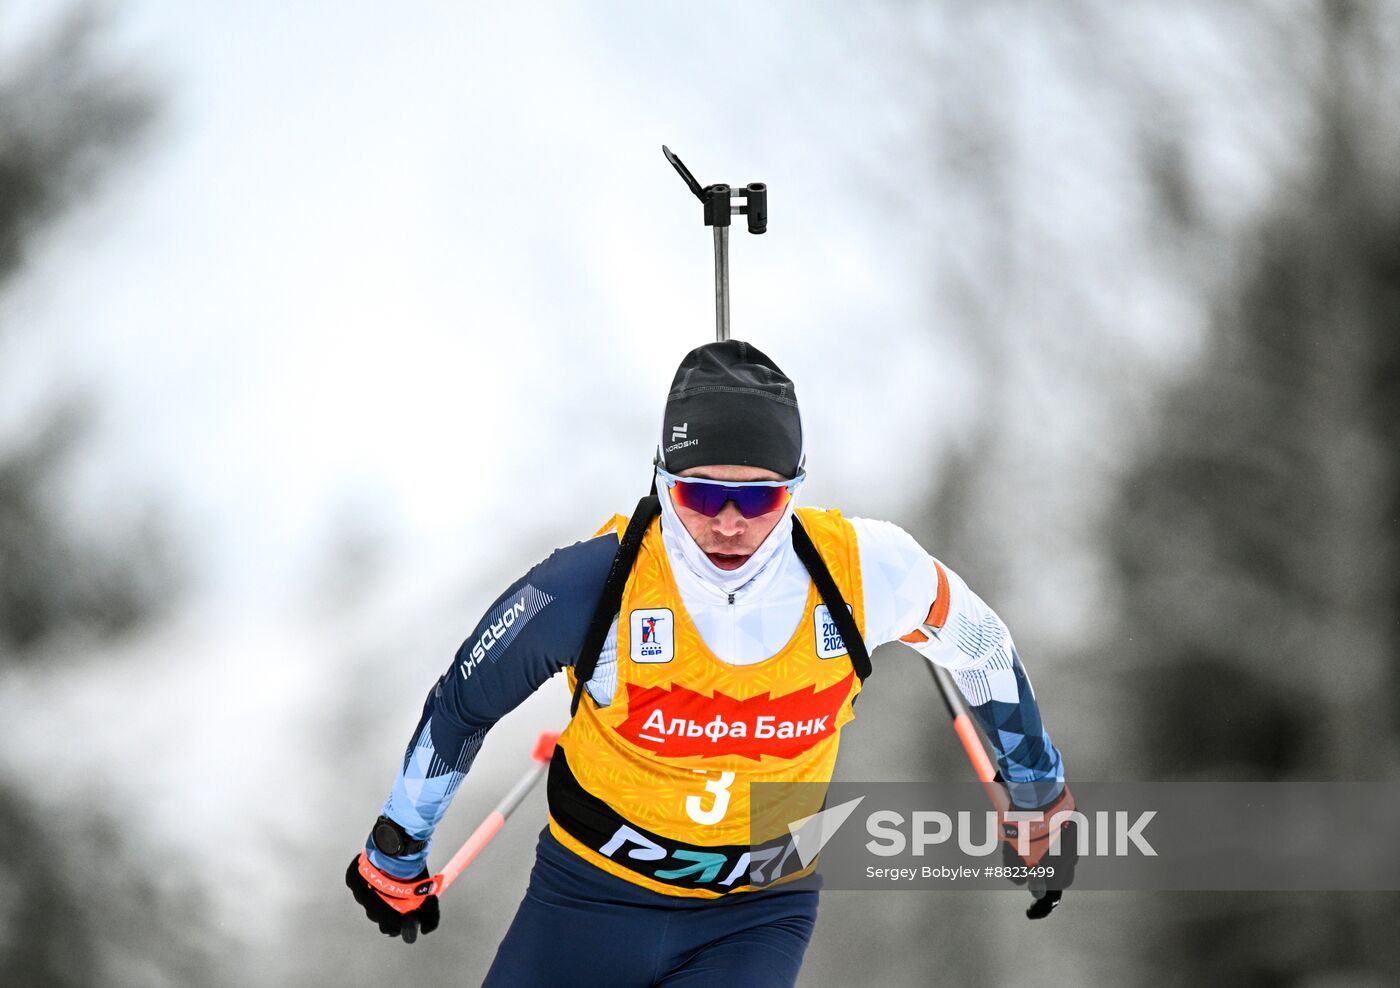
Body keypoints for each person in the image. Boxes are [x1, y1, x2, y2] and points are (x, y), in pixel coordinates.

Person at [346, 340, 1073, 986]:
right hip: (587, 899)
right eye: (701, 494)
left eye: (758, 499)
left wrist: (1038, 794)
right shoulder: (594, 584)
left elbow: (981, 647)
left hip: (758, 912)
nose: (728, 523)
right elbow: (465, 702)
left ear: (795, 487)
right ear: (663, 479)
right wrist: (397, 846)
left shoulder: (865, 572)